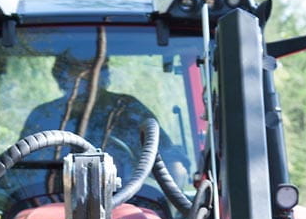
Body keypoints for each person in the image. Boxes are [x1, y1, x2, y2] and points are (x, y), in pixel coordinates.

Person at [20, 51, 189, 187]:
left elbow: (174, 167)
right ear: (61, 75)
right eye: (79, 70)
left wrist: (172, 211)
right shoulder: (43, 116)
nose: (88, 77)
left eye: (96, 69)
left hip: (126, 206)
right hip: (48, 202)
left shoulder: (129, 110)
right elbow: (21, 172)